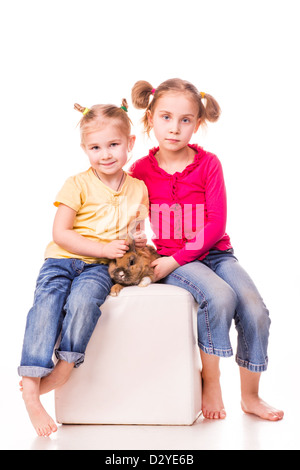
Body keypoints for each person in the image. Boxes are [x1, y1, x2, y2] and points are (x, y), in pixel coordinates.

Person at [130, 79, 284, 421]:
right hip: (174, 260)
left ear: (197, 124)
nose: (175, 128)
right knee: (218, 296)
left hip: (214, 254)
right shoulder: (139, 170)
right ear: (150, 119)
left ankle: (250, 396)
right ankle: (210, 380)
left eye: (185, 120)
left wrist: (174, 260)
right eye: (166, 117)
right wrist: (141, 243)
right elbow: (127, 208)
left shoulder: (208, 164)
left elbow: (215, 224)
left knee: (255, 309)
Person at [18, 99, 149, 437]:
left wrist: (138, 258)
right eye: (95, 147)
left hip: (98, 269)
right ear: (85, 149)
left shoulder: (138, 188)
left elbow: (137, 236)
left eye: (113, 145)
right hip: (61, 260)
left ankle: (64, 367)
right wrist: (103, 247)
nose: (105, 154)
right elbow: (60, 233)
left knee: (84, 303)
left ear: (130, 144)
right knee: (46, 307)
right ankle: (31, 385)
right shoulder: (76, 184)